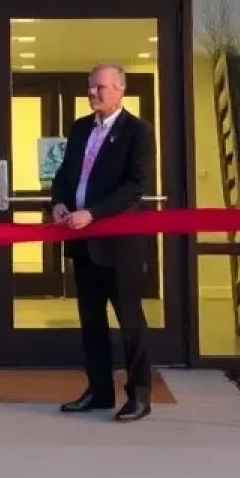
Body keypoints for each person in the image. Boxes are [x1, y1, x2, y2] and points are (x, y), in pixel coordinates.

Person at [48, 63, 157, 422]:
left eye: (101, 87)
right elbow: (64, 173)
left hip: (119, 245)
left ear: (120, 89)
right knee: (91, 321)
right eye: (90, 87)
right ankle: (99, 391)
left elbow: (135, 186)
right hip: (82, 243)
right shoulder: (80, 128)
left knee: (129, 322)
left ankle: (139, 395)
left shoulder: (138, 131)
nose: (93, 93)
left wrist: (92, 213)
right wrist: (59, 201)